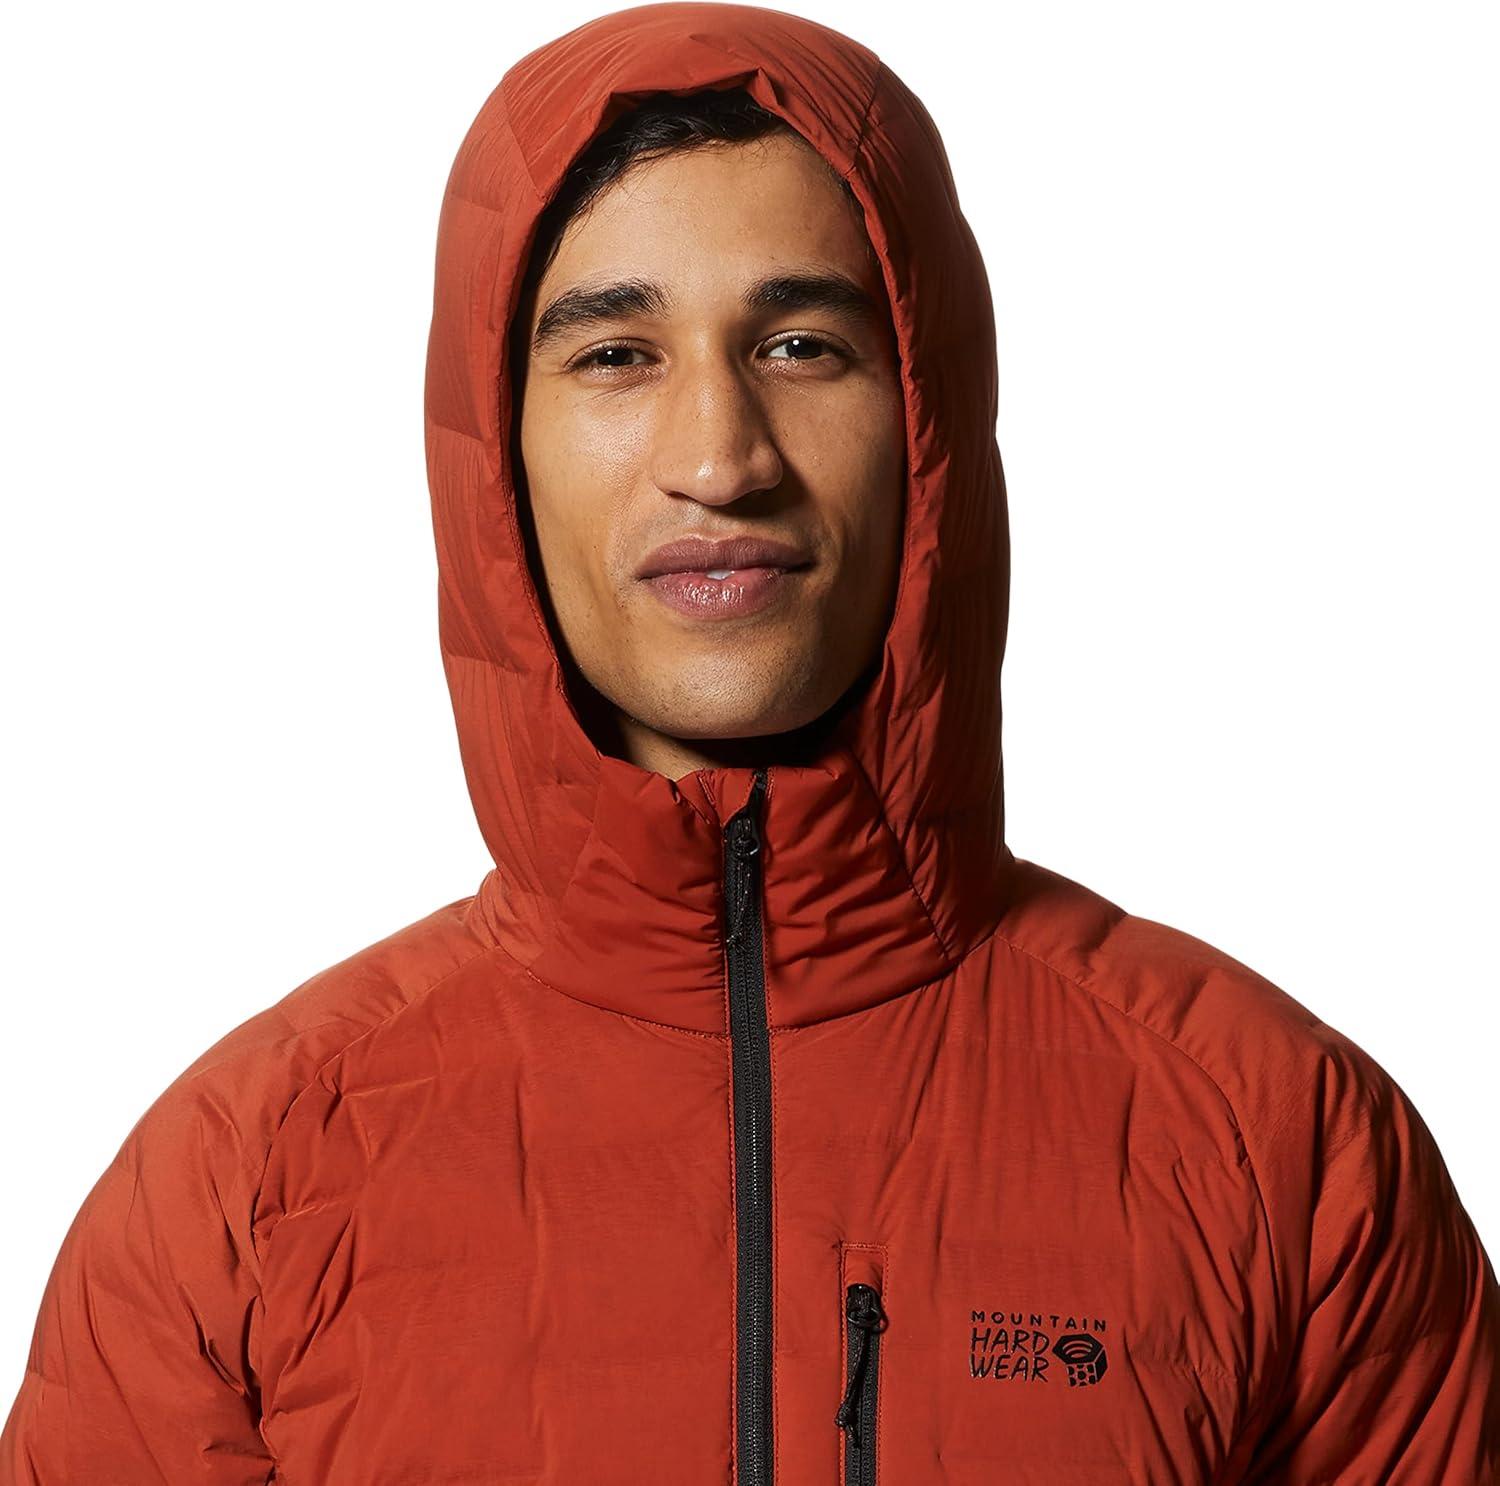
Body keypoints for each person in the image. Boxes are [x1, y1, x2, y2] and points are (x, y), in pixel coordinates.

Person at [3, 3, 1497, 1481]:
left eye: (799, 344)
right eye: (615, 355)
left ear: (927, 419)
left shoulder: (1281, 1141)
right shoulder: (242, 1182)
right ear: (495, 452)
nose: (720, 457)